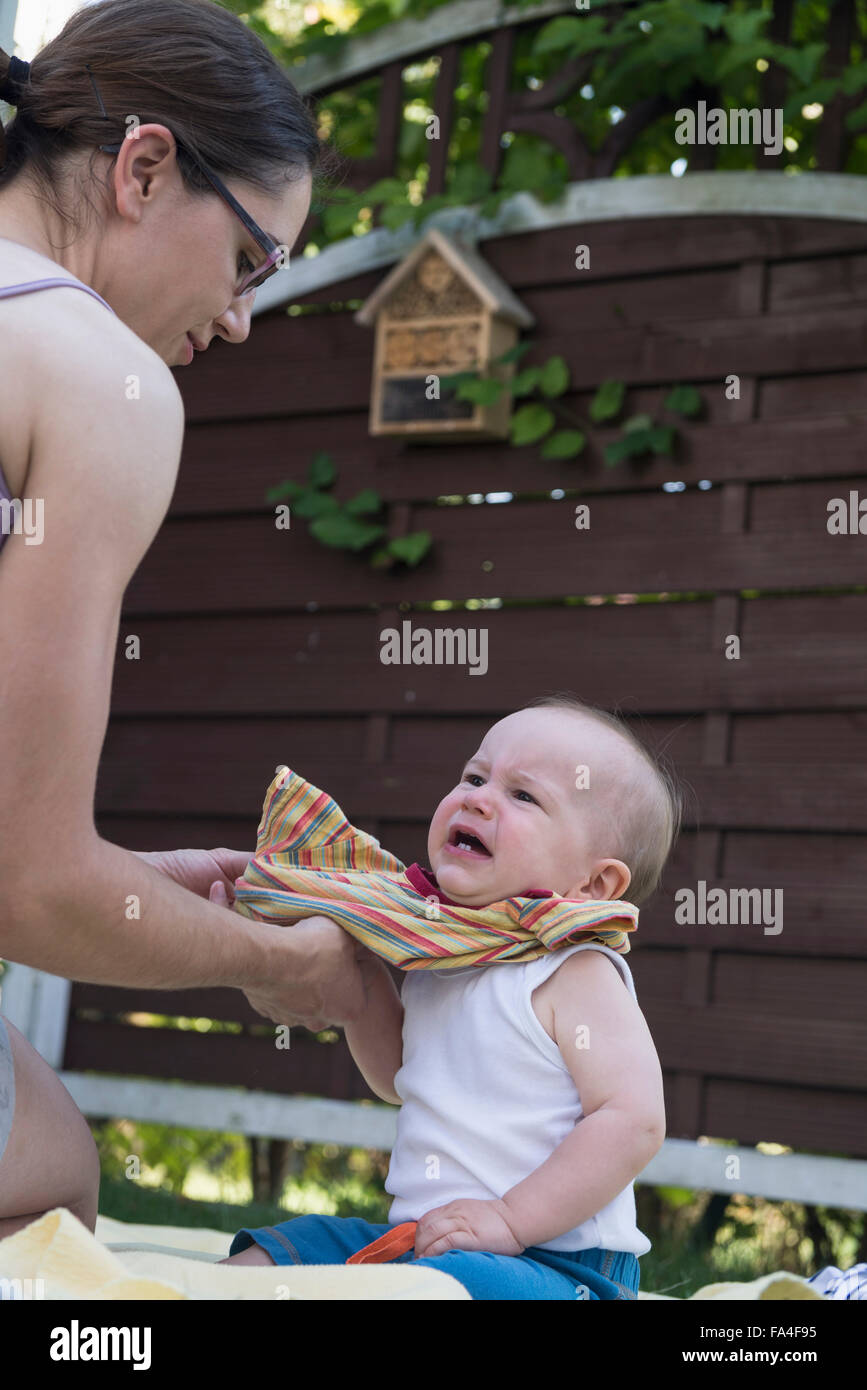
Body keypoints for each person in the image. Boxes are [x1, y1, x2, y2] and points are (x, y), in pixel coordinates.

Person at [0, 0, 373, 1243]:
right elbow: (33, 885)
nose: (239, 318)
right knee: (52, 1184)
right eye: (254, 259)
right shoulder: (99, 377)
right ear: (145, 168)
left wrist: (135, 886)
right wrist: (282, 965)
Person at [218, 696, 680, 1300]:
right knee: (285, 1250)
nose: (478, 798)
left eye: (524, 796)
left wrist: (512, 1219)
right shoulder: (439, 952)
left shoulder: (576, 969)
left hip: (558, 1266)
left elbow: (633, 1120)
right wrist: (359, 978)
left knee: (438, 1289)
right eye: (474, 776)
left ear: (593, 883)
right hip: (421, 1244)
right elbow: (399, 1078)